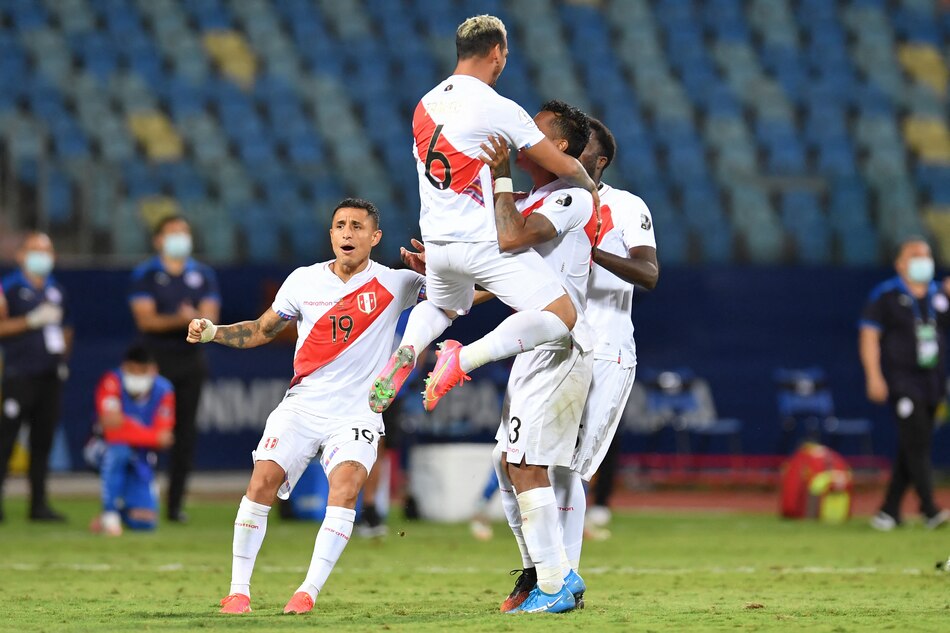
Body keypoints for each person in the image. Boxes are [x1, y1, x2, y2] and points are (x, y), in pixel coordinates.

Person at [188, 199, 427, 615]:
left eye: (357, 226)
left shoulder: (397, 283)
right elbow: (263, 330)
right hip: (302, 406)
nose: (347, 233)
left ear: (375, 237)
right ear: (331, 234)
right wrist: (214, 333)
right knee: (262, 482)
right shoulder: (303, 281)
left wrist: (444, 270)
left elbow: (467, 294)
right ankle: (238, 591)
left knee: (347, 488)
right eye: (339, 225)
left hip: (357, 412)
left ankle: (307, 592)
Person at [369, 14, 600, 416]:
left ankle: (406, 350)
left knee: (444, 307)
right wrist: (593, 191)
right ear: (496, 53)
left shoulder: (424, 105)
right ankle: (462, 359)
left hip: (438, 243)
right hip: (482, 239)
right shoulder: (497, 107)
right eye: (505, 54)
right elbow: (562, 164)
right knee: (563, 316)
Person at [479, 100, 596, 613]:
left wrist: (500, 175)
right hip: (536, 345)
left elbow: (511, 237)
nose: (526, 134)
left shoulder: (573, 195)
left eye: (539, 131)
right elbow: (505, 266)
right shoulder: (537, 198)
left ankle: (553, 584)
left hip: (561, 343)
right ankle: (546, 574)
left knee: (526, 462)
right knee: (509, 463)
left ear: (561, 147)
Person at [554, 117, 659, 564]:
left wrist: (590, 251)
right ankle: (546, 573)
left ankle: (563, 579)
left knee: (575, 470)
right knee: (547, 464)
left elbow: (649, 272)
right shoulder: (555, 206)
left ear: (599, 161)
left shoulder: (627, 206)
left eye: (579, 149)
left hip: (608, 351)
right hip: (560, 349)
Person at [129, 215, 220, 522]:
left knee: (185, 434)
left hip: (190, 361)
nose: (180, 237)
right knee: (143, 430)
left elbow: (210, 322)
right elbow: (145, 320)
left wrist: (191, 320)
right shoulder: (146, 274)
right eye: (173, 232)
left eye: (184, 231)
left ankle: (175, 503)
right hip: (155, 361)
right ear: (158, 240)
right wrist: (184, 319)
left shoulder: (203, 274)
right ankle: (139, 498)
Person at [860, 237, 950, 531]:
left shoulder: (940, 295)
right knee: (917, 442)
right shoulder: (885, 295)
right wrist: (874, 375)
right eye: (914, 255)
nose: (923, 260)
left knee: (914, 444)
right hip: (902, 379)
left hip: (934, 380)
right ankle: (930, 509)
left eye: (926, 254)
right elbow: (870, 336)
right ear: (900, 263)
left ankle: (888, 511)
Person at [0, 232, 72, 523]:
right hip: (21, 374)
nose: (42, 255)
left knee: (42, 442)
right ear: (21, 255)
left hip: (49, 375)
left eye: (47, 250)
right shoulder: (11, 287)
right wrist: (29, 321)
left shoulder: (56, 290)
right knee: (6, 439)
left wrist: (62, 358)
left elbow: (66, 329)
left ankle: (38, 504)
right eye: (35, 250)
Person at [89, 344, 175, 536]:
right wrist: (149, 434)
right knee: (119, 451)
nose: (136, 376)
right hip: (102, 448)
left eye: (142, 371)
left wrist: (125, 425)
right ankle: (110, 512)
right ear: (124, 367)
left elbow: (164, 440)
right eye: (131, 370)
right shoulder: (111, 381)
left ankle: (118, 512)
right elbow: (110, 429)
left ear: (153, 370)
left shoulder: (164, 390)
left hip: (141, 456)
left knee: (145, 522)